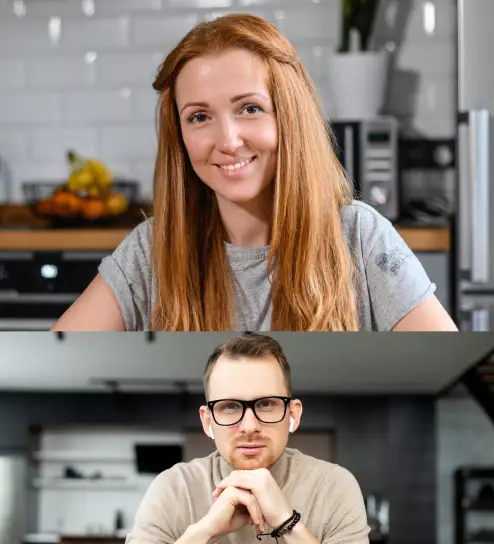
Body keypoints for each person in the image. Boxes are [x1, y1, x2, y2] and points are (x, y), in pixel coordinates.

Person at [52, 14, 456, 332]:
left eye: (250, 108)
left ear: (289, 117)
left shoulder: (361, 238)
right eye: (199, 117)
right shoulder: (150, 252)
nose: (227, 140)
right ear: (180, 135)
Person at [75, 335, 403, 544]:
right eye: (230, 406)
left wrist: (289, 523)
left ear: (293, 414)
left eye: (266, 404)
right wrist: (204, 531)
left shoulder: (332, 484)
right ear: (207, 420)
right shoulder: (175, 486)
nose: (249, 426)